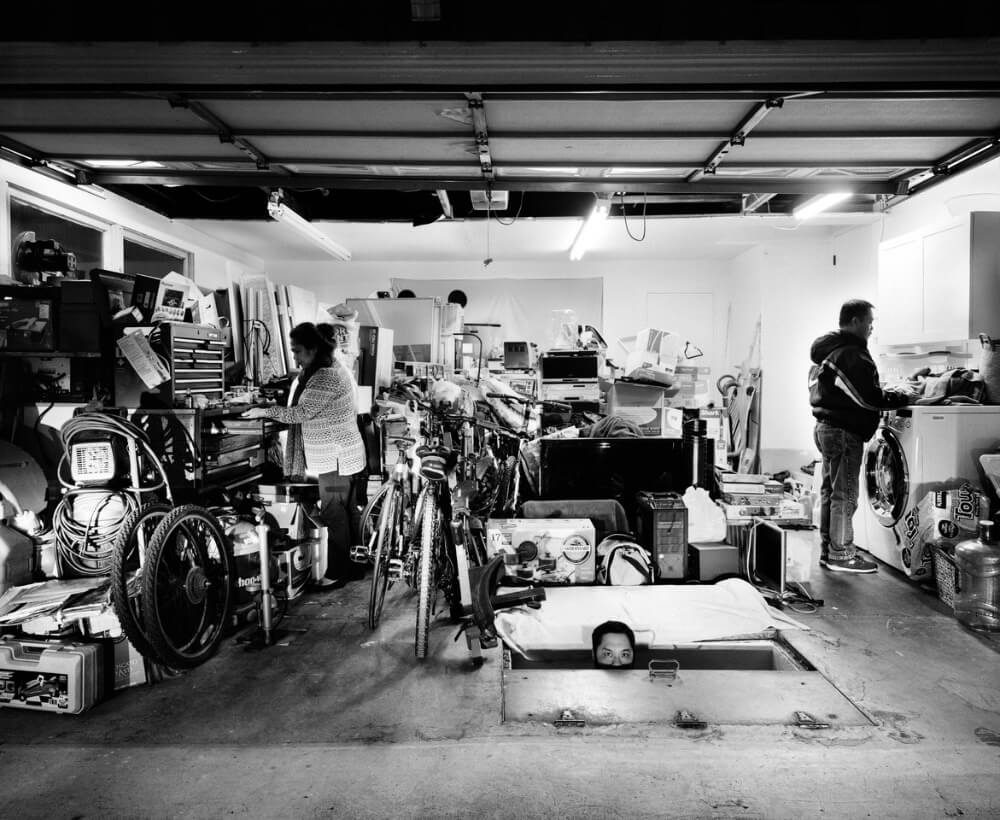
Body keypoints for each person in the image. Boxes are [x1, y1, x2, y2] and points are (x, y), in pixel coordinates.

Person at [242, 322, 365, 588]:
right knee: (348, 511)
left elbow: (299, 413)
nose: (295, 357)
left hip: (335, 456)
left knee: (334, 513)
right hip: (345, 452)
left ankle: (339, 571)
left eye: (297, 351)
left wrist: (265, 411)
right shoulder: (330, 367)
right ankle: (357, 566)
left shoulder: (325, 377)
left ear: (313, 349)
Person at [809, 299, 915, 574]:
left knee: (832, 492)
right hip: (843, 432)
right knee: (845, 495)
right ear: (855, 321)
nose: (871, 327)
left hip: (828, 428)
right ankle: (841, 555)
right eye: (869, 321)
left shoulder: (832, 351)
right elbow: (867, 399)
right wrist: (901, 396)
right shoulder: (851, 354)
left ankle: (829, 551)